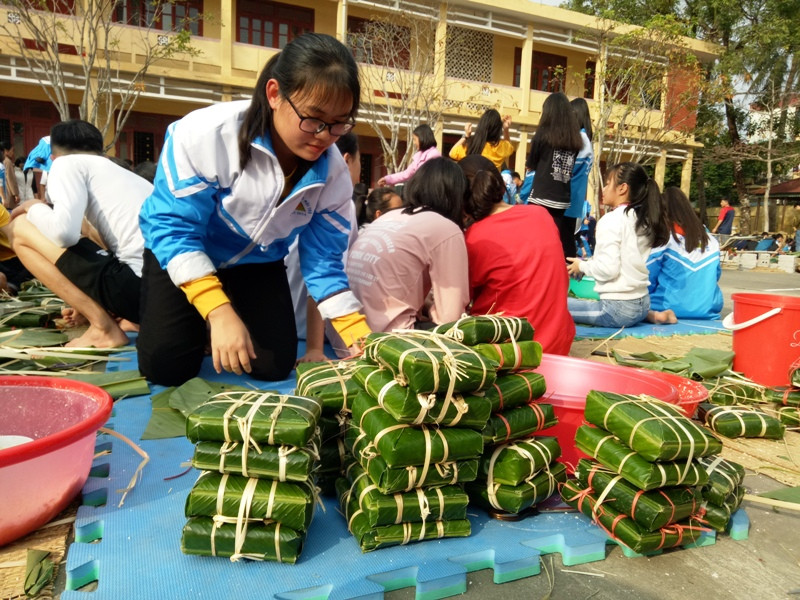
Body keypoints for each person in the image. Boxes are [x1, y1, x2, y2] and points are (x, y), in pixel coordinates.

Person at [137, 33, 370, 386]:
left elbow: (323, 261)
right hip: (186, 252)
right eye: (314, 119)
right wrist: (218, 311)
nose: (324, 136)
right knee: (166, 369)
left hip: (257, 263)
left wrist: (358, 334)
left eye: (340, 123)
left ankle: (217, 316)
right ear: (275, 94)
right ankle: (199, 315)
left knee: (273, 366)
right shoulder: (206, 134)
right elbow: (172, 228)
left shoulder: (333, 173)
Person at [7, 119, 152, 347]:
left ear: (54, 159)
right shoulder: (123, 173)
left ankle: (102, 328)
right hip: (166, 297)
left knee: (21, 227)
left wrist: (32, 206)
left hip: (140, 293)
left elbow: (64, 235)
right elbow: (97, 240)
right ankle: (98, 313)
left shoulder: (66, 164)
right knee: (84, 227)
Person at [459, 155, 574, 355]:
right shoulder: (541, 215)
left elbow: (457, 302)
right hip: (558, 345)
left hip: (510, 353)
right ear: (500, 187)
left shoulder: (473, 239)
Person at [346, 157, 470, 332]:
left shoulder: (391, 216)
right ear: (458, 197)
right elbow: (450, 318)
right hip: (387, 340)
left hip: (346, 334)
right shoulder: (446, 229)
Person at [566, 162, 669, 327]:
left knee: (555, 306)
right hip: (642, 304)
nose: (604, 189)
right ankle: (651, 316)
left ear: (622, 188)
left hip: (616, 310)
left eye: (608, 184)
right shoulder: (642, 219)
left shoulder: (612, 220)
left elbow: (608, 270)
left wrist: (582, 266)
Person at [293, 131, 362, 363]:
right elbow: (324, 274)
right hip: (307, 331)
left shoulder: (295, 191)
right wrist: (314, 348)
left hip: (274, 324)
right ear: (346, 161)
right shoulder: (341, 204)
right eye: (360, 160)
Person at [646, 187, 723, 323]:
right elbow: (715, 276)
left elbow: (647, 279)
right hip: (707, 311)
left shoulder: (664, 240)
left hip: (666, 308)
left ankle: (655, 316)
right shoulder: (712, 241)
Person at [526, 92, 585, 258]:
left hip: (541, 197)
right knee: (554, 243)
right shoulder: (574, 140)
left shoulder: (543, 135)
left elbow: (531, 163)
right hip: (562, 200)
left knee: (534, 244)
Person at [564, 97, 594, 250]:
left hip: (568, 201)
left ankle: (568, 274)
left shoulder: (580, 139)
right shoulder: (585, 139)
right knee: (568, 243)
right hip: (575, 201)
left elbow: (567, 169)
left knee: (565, 246)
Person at [449, 108, 515, 171]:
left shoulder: (471, 146)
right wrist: (506, 129)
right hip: (492, 182)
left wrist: (466, 136)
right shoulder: (500, 147)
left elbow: (452, 153)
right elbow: (509, 146)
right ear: (498, 129)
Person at [1, 141, 20, 209]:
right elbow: (10, 179)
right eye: (12, 150)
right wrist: (16, 194)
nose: (13, 153)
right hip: (8, 193)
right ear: (6, 151)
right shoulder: (7, 162)